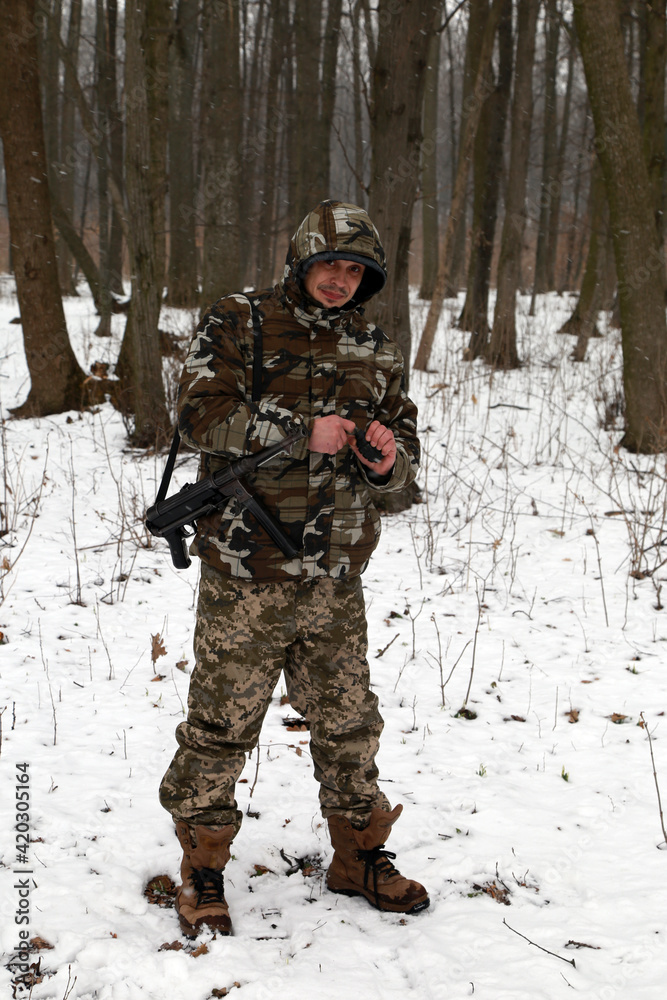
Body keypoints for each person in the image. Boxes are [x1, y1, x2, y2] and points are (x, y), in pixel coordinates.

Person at [159, 200, 428, 937]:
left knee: (349, 725)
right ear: (301, 262)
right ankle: (203, 866)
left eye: (353, 270)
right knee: (221, 726)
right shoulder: (239, 319)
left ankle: (359, 856)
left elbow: (402, 454)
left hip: (335, 573)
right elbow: (195, 412)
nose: (339, 281)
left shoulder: (373, 344)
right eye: (327, 266)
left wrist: (384, 460)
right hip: (248, 568)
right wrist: (297, 430)